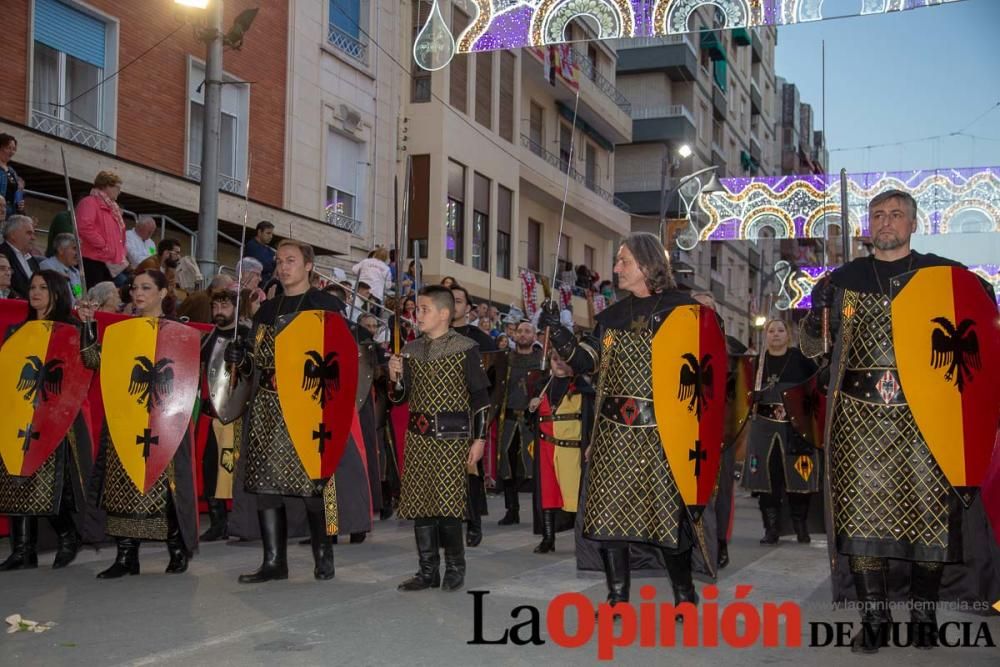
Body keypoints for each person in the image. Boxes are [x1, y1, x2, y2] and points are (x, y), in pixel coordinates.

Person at [800, 189, 999, 652]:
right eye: (877, 215)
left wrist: (979, 295)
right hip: (858, 419)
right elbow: (813, 352)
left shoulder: (942, 275)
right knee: (862, 519)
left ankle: (924, 616)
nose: (886, 222)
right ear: (869, 226)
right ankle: (875, 619)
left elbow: (982, 319)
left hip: (925, 417)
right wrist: (816, 315)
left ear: (913, 223)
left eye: (895, 215)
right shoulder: (843, 280)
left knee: (930, 518)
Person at [539, 232, 705, 615]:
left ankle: (684, 595)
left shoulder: (685, 311)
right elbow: (586, 362)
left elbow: (702, 377)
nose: (616, 268)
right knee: (610, 516)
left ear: (647, 264)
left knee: (668, 518)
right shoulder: (611, 317)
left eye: (624, 260)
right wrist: (561, 333)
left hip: (664, 434)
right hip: (614, 433)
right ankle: (617, 598)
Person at [226, 239, 370, 583]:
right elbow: (256, 364)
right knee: (264, 484)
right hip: (267, 405)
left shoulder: (326, 306)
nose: (282, 266)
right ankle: (274, 561)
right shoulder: (265, 310)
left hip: (309, 404)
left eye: (290, 260)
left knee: (313, 482)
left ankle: (323, 553)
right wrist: (240, 358)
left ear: (308, 266)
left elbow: (342, 357)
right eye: (279, 261)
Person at [80, 269, 198, 578]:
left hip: (164, 421)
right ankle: (126, 556)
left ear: (162, 293)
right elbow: (93, 360)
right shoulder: (121, 333)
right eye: (134, 288)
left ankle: (176, 548)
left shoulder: (178, 332)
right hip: (127, 420)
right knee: (123, 487)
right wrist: (87, 324)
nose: (137, 293)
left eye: (146, 287)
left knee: (165, 489)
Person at [388, 285, 490, 592]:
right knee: (421, 505)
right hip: (418, 438)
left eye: (424, 309)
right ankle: (427, 571)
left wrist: (480, 439)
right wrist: (395, 378)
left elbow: (481, 397)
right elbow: (399, 399)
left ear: (444, 314)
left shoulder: (465, 347)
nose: (416, 314)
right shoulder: (410, 350)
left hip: (452, 439)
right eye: (415, 309)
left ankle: (455, 567)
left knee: (447, 506)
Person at [0, 270, 103, 571]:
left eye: (43, 287)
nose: (35, 293)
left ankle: (68, 536)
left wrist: (88, 326)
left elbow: (92, 362)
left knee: (51, 484)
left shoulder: (72, 328)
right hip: (20, 417)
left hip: (57, 419)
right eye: (32, 287)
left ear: (57, 292)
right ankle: (22, 550)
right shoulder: (17, 332)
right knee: (15, 479)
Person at [741, 319, 819, 545]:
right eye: (771, 331)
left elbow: (816, 388)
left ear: (788, 335)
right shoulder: (757, 363)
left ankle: (800, 526)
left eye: (780, 330)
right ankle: (771, 529)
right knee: (768, 480)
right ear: (766, 336)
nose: (775, 334)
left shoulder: (801, 360)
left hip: (794, 429)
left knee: (798, 477)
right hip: (764, 429)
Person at [527, 348, 593, 554]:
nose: (559, 363)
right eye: (555, 359)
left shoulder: (582, 386)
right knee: (548, 493)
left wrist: (591, 443)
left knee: (575, 495)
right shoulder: (541, 385)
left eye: (563, 360)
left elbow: (592, 418)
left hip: (571, 449)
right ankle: (549, 538)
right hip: (546, 447)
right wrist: (531, 407)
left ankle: (582, 542)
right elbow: (531, 421)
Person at [198, 287, 250, 541]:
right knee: (211, 468)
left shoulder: (247, 337)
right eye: (215, 307)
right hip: (213, 415)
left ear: (237, 309)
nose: (219, 312)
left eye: (225, 307)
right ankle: (218, 523)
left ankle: (241, 522)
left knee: (238, 469)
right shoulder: (208, 339)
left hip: (240, 414)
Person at [449, 284, 497, 547]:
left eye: (458, 300)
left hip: (468, 413)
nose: (452, 305)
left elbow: (493, 378)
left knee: (470, 471)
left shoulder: (481, 339)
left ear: (468, 308)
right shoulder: (433, 336)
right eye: (449, 300)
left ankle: (473, 522)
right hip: (439, 414)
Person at [494, 320, 543, 526]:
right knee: (507, 466)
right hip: (510, 418)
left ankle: (541, 513)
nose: (523, 334)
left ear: (534, 336)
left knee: (534, 467)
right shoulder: (505, 359)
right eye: (519, 331)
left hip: (532, 421)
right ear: (514, 335)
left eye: (527, 331)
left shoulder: (542, 361)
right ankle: (511, 510)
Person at [76, 171, 127, 287]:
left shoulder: (113, 209)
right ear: (106, 185)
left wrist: (120, 252)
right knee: (94, 296)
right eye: (117, 187)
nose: (120, 191)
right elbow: (84, 227)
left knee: (104, 298)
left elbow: (119, 234)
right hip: (92, 259)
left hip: (108, 262)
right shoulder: (89, 202)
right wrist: (104, 245)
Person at [0, 215, 40, 297]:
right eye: (29, 233)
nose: (33, 238)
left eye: (33, 233)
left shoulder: (32, 260)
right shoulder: (2, 253)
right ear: (13, 235)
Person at [39, 233, 83, 302]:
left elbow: (79, 295)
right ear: (60, 250)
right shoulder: (47, 266)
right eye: (75, 248)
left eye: (79, 249)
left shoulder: (75, 272)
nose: (78, 253)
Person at [0, 134, 23, 219]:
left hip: (11, 214)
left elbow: (17, 191)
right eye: (8, 148)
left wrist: (19, 203)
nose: (11, 152)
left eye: (14, 149)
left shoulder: (12, 171)